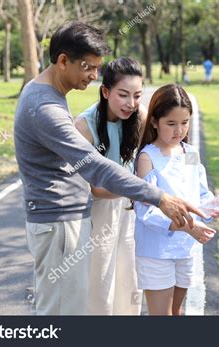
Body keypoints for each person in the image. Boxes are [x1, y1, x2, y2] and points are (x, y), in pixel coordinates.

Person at [13, 21, 205, 315]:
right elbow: (94, 167)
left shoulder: (48, 95)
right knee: (67, 309)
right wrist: (158, 196)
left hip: (68, 218)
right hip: (59, 221)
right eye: (88, 67)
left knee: (82, 303)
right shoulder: (46, 108)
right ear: (63, 61)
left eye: (96, 68)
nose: (92, 75)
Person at [134, 84, 218, 315]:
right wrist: (189, 227)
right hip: (156, 250)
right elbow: (146, 213)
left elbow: (200, 193)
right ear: (154, 121)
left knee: (177, 312)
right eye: (171, 124)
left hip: (185, 248)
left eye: (185, 122)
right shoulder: (147, 158)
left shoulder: (190, 152)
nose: (179, 130)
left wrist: (214, 206)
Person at [75, 57, 146, 315]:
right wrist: (139, 189)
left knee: (129, 280)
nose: (131, 103)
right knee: (100, 283)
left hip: (130, 208)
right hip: (100, 212)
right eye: (123, 95)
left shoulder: (140, 116)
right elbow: (95, 188)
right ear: (105, 92)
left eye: (137, 95)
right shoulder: (84, 126)